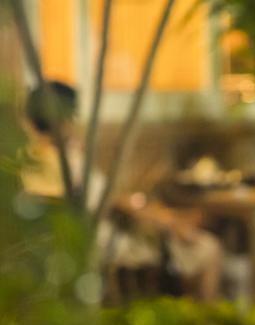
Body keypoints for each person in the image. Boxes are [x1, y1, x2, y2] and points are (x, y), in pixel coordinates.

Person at [21, 81, 224, 302]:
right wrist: (174, 222)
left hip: (51, 253)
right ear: (67, 119)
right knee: (208, 248)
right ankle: (204, 322)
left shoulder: (23, 159)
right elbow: (117, 203)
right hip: (101, 246)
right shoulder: (70, 163)